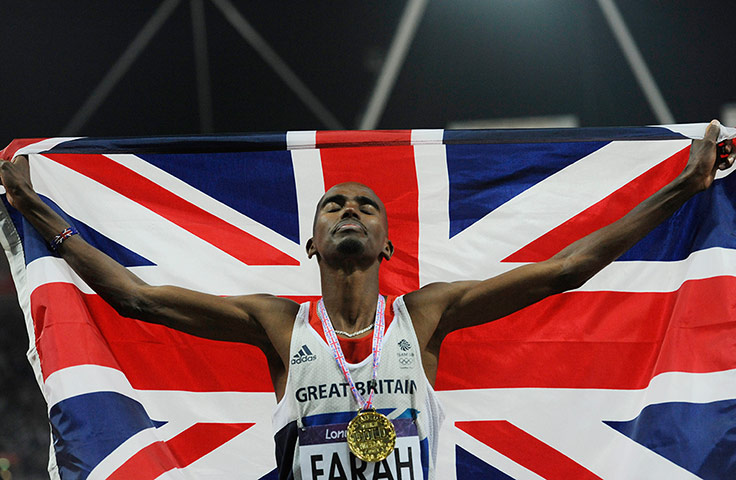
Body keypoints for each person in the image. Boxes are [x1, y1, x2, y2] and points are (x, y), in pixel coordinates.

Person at [1, 121, 734, 479]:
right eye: (333, 206)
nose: (348, 210)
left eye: (364, 206)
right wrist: (38, 212)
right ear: (311, 245)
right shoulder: (278, 322)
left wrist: (684, 185)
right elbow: (136, 298)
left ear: (387, 245)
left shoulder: (425, 314)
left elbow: (567, 267)